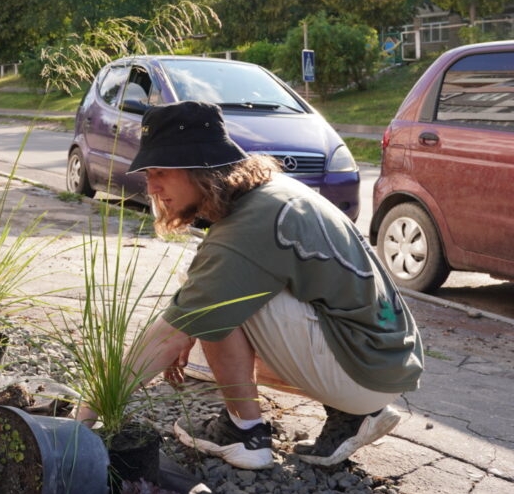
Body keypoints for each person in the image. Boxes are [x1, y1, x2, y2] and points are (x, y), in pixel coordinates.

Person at [82, 101, 424, 470]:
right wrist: (190, 326)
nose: (150, 186)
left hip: (365, 367)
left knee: (214, 297)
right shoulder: (269, 191)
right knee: (208, 286)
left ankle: (245, 433)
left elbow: (169, 334)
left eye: (161, 171)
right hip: (385, 358)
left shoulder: (251, 225)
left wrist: (88, 412)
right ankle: (353, 414)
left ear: (200, 169)